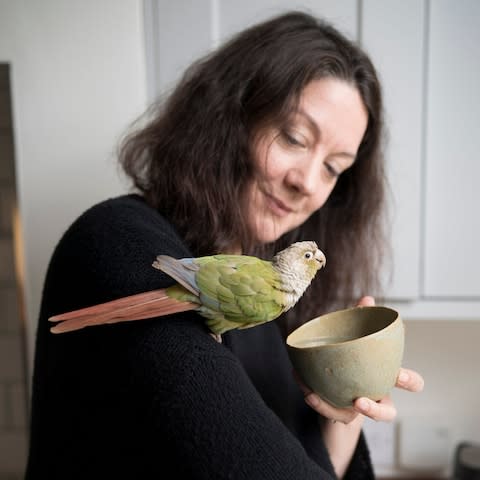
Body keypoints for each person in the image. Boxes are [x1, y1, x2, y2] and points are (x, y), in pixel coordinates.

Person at [25, 10, 424, 479]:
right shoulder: (113, 241)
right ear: (231, 118)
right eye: (294, 138)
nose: (308, 183)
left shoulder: (266, 301)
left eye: (335, 167)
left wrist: (347, 405)